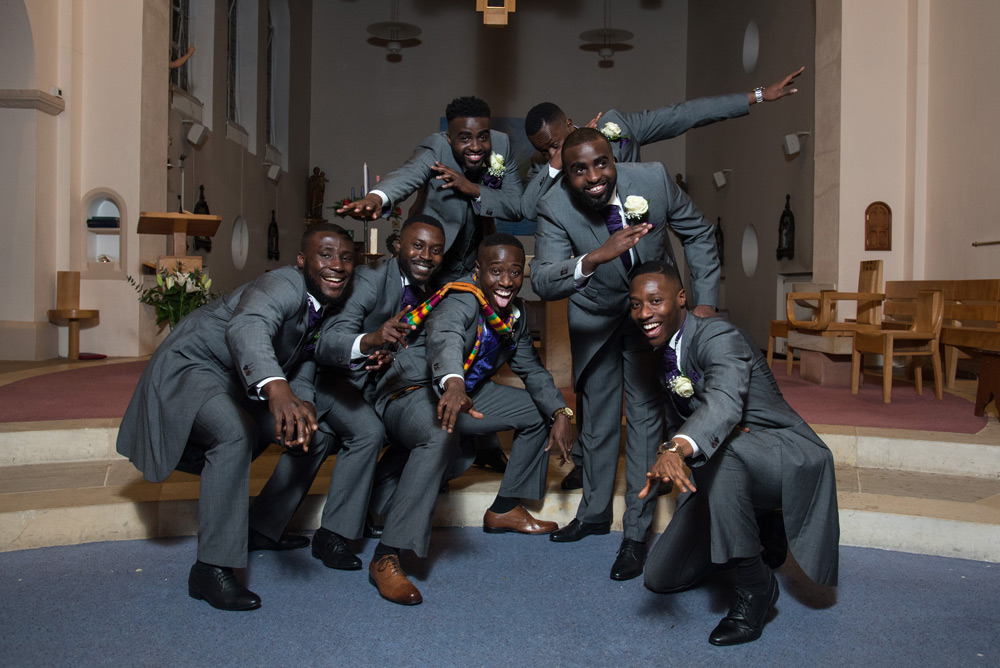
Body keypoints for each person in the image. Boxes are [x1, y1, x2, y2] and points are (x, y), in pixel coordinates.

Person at [116, 223, 359, 611]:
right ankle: (210, 570)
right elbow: (248, 326)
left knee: (316, 436)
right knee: (233, 433)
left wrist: (305, 405)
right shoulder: (283, 283)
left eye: (346, 258)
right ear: (302, 261)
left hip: (237, 381)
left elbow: (304, 362)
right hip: (192, 367)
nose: (337, 266)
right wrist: (277, 389)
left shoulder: (326, 305)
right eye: (326, 255)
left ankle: (261, 528)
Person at [530, 128, 719, 582]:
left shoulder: (653, 179)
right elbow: (543, 280)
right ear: (567, 174)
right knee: (596, 421)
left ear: (614, 159)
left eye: (601, 164)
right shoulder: (553, 206)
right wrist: (595, 257)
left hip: (650, 317)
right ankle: (594, 514)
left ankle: (635, 534)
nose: (593, 176)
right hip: (594, 316)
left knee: (644, 423)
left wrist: (706, 302)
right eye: (579, 170)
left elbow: (698, 232)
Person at [629, 260, 839, 645]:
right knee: (660, 578)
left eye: (655, 301)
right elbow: (681, 426)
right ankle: (758, 521)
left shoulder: (719, 335)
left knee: (722, 451)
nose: (644, 313)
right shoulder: (663, 356)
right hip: (730, 464)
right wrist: (669, 453)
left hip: (784, 453)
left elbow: (723, 404)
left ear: (681, 298)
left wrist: (677, 447)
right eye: (636, 304)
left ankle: (755, 586)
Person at [366, 234, 574, 605]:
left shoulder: (515, 315)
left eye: (515, 272)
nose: (506, 281)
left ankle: (505, 508)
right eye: (496, 271)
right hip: (413, 392)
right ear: (478, 271)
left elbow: (532, 370)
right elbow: (444, 340)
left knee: (539, 411)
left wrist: (561, 412)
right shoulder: (459, 299)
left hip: (466, 395)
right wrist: (453, 383)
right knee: (439, 433)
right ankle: (386, 555)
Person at [314, 214, 449, 540]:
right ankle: (333, 535)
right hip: (339, 383)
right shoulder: (368, 280)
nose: (426, 256)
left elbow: (413, 350)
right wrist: (372, 341)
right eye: (418, 246)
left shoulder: (429, 294)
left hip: (382, 388)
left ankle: (370, 505)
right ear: (398, 245)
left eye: (435, 250)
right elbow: (328, 341)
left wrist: (392, 356)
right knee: (368, 432)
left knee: (437, 428)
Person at [520, 68, 805, 220]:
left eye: (555, 144)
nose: (550, 154)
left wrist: (757, 96)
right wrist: (558, 160)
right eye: (544, 150)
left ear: (569, 123)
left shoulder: (616, 126)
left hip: (646, 249)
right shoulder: (542, 170)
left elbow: (683, 115)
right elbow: (529, 211)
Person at [337, 96, 523, 282]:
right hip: (428, 259)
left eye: (483, 137)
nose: (476, 146)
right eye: (465, 138)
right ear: (449, 138)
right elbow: (408, 174)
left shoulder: (501, 145)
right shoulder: (437, 147)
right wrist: (376, 198)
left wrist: (474, 189)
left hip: (474, 265)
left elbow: (515, 205)